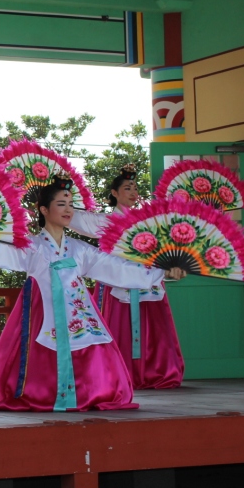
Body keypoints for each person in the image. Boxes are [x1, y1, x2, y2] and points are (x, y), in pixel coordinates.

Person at [0, 176, 184, 412]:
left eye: (70, 205)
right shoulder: (33, 246)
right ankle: (46, 394)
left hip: (78, 308)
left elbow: (115, 267)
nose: (68, 210)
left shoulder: (79, 249)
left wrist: (162, 272)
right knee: (42, 352)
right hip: (43, 307)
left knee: (91, 343)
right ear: (43, 209)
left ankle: (88, 394)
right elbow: (2, 250)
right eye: (61, 204)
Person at [70, 164, 185, 389]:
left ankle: (157, 372)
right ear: (114, 193)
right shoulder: (104, 221)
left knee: (155, 329)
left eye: (135, 188)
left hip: (147, 280)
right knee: (118, 327)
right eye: (127, 188)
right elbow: (75, 218)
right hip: (117, 282)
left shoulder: (149, 222)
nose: (133, 192)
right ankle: (119, 374)